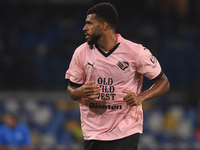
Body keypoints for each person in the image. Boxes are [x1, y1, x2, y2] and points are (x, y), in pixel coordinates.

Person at [65, 2, 170, 150]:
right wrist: (79, 92)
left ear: (104, 26)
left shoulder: (135, 52)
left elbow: (163, 82)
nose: (84, 28)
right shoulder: (81, 52)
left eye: (89, 23)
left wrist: (141, 97)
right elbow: (72, 90)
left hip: (126, 129)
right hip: (93, 131)